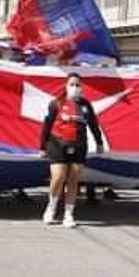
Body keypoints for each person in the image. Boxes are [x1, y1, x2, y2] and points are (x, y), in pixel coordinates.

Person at [39, 73, 105, 228]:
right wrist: (42, 146)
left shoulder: (85, 105)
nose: (75, 87)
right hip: (57, 144)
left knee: (73, 179)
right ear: (66, 85)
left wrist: (99, 143)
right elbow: (47, 125)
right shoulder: (56, 103)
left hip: (78, 145)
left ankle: (69, 214)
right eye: (72, 84)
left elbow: (94, 125)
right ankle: (52, 207)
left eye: (78, 85)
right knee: (58, 177)